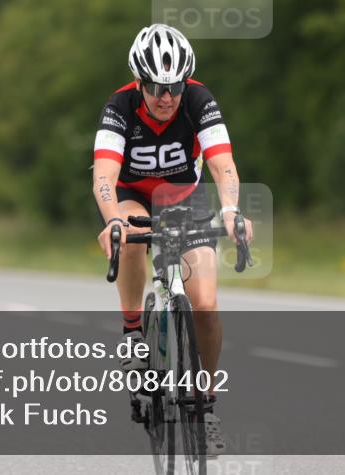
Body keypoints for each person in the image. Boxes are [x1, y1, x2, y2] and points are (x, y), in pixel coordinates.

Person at [92, 24, 254, 457]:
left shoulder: (200, 101)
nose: (166, 98)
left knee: (206, 304)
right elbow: (104, 175)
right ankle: (132, 331)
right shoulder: (119, 108)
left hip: (184, 198)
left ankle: (206, 404)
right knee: (130, 234)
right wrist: (112, 219)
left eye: (175, 87)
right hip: (132, 196)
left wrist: (232, 211)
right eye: (155, 88)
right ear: (138, 83)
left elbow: (223, 165)